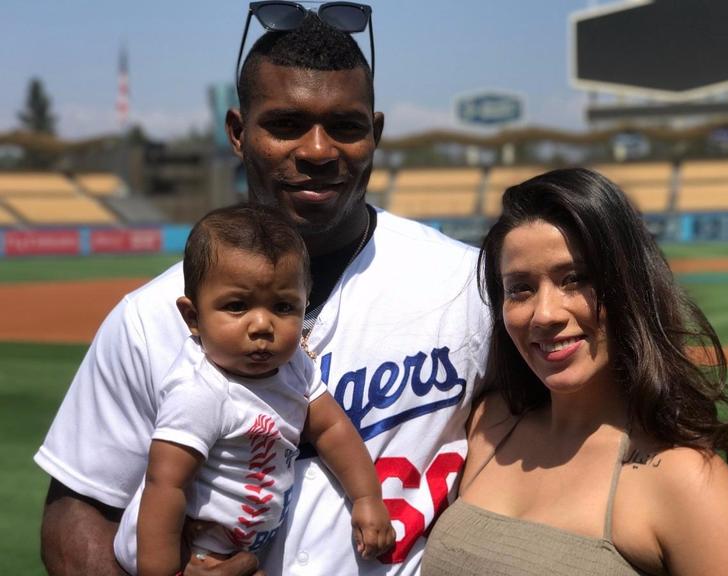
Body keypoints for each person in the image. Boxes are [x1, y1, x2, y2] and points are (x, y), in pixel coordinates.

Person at [36, 11, 489, 576]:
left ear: (376, 132)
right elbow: (80, 507)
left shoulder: (468, 287)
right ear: (237, 131)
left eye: (346, 126)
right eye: (286, 124)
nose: (319, 150)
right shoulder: (148, 318)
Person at [421, 167, 728, 575]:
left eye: (575, 280)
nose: (546, 314)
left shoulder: (683, 480)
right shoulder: (487, 423)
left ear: (629, 286)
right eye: (520, 289)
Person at [112, 203, 394, 575]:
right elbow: (166, 486)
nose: (262, 324)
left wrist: (366, 497)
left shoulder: (294, 365)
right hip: (187, 550)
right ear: (193, 317)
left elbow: (331, 428)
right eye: (237, 306)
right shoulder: (201, 391)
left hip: (235, 550)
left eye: (283, 306)